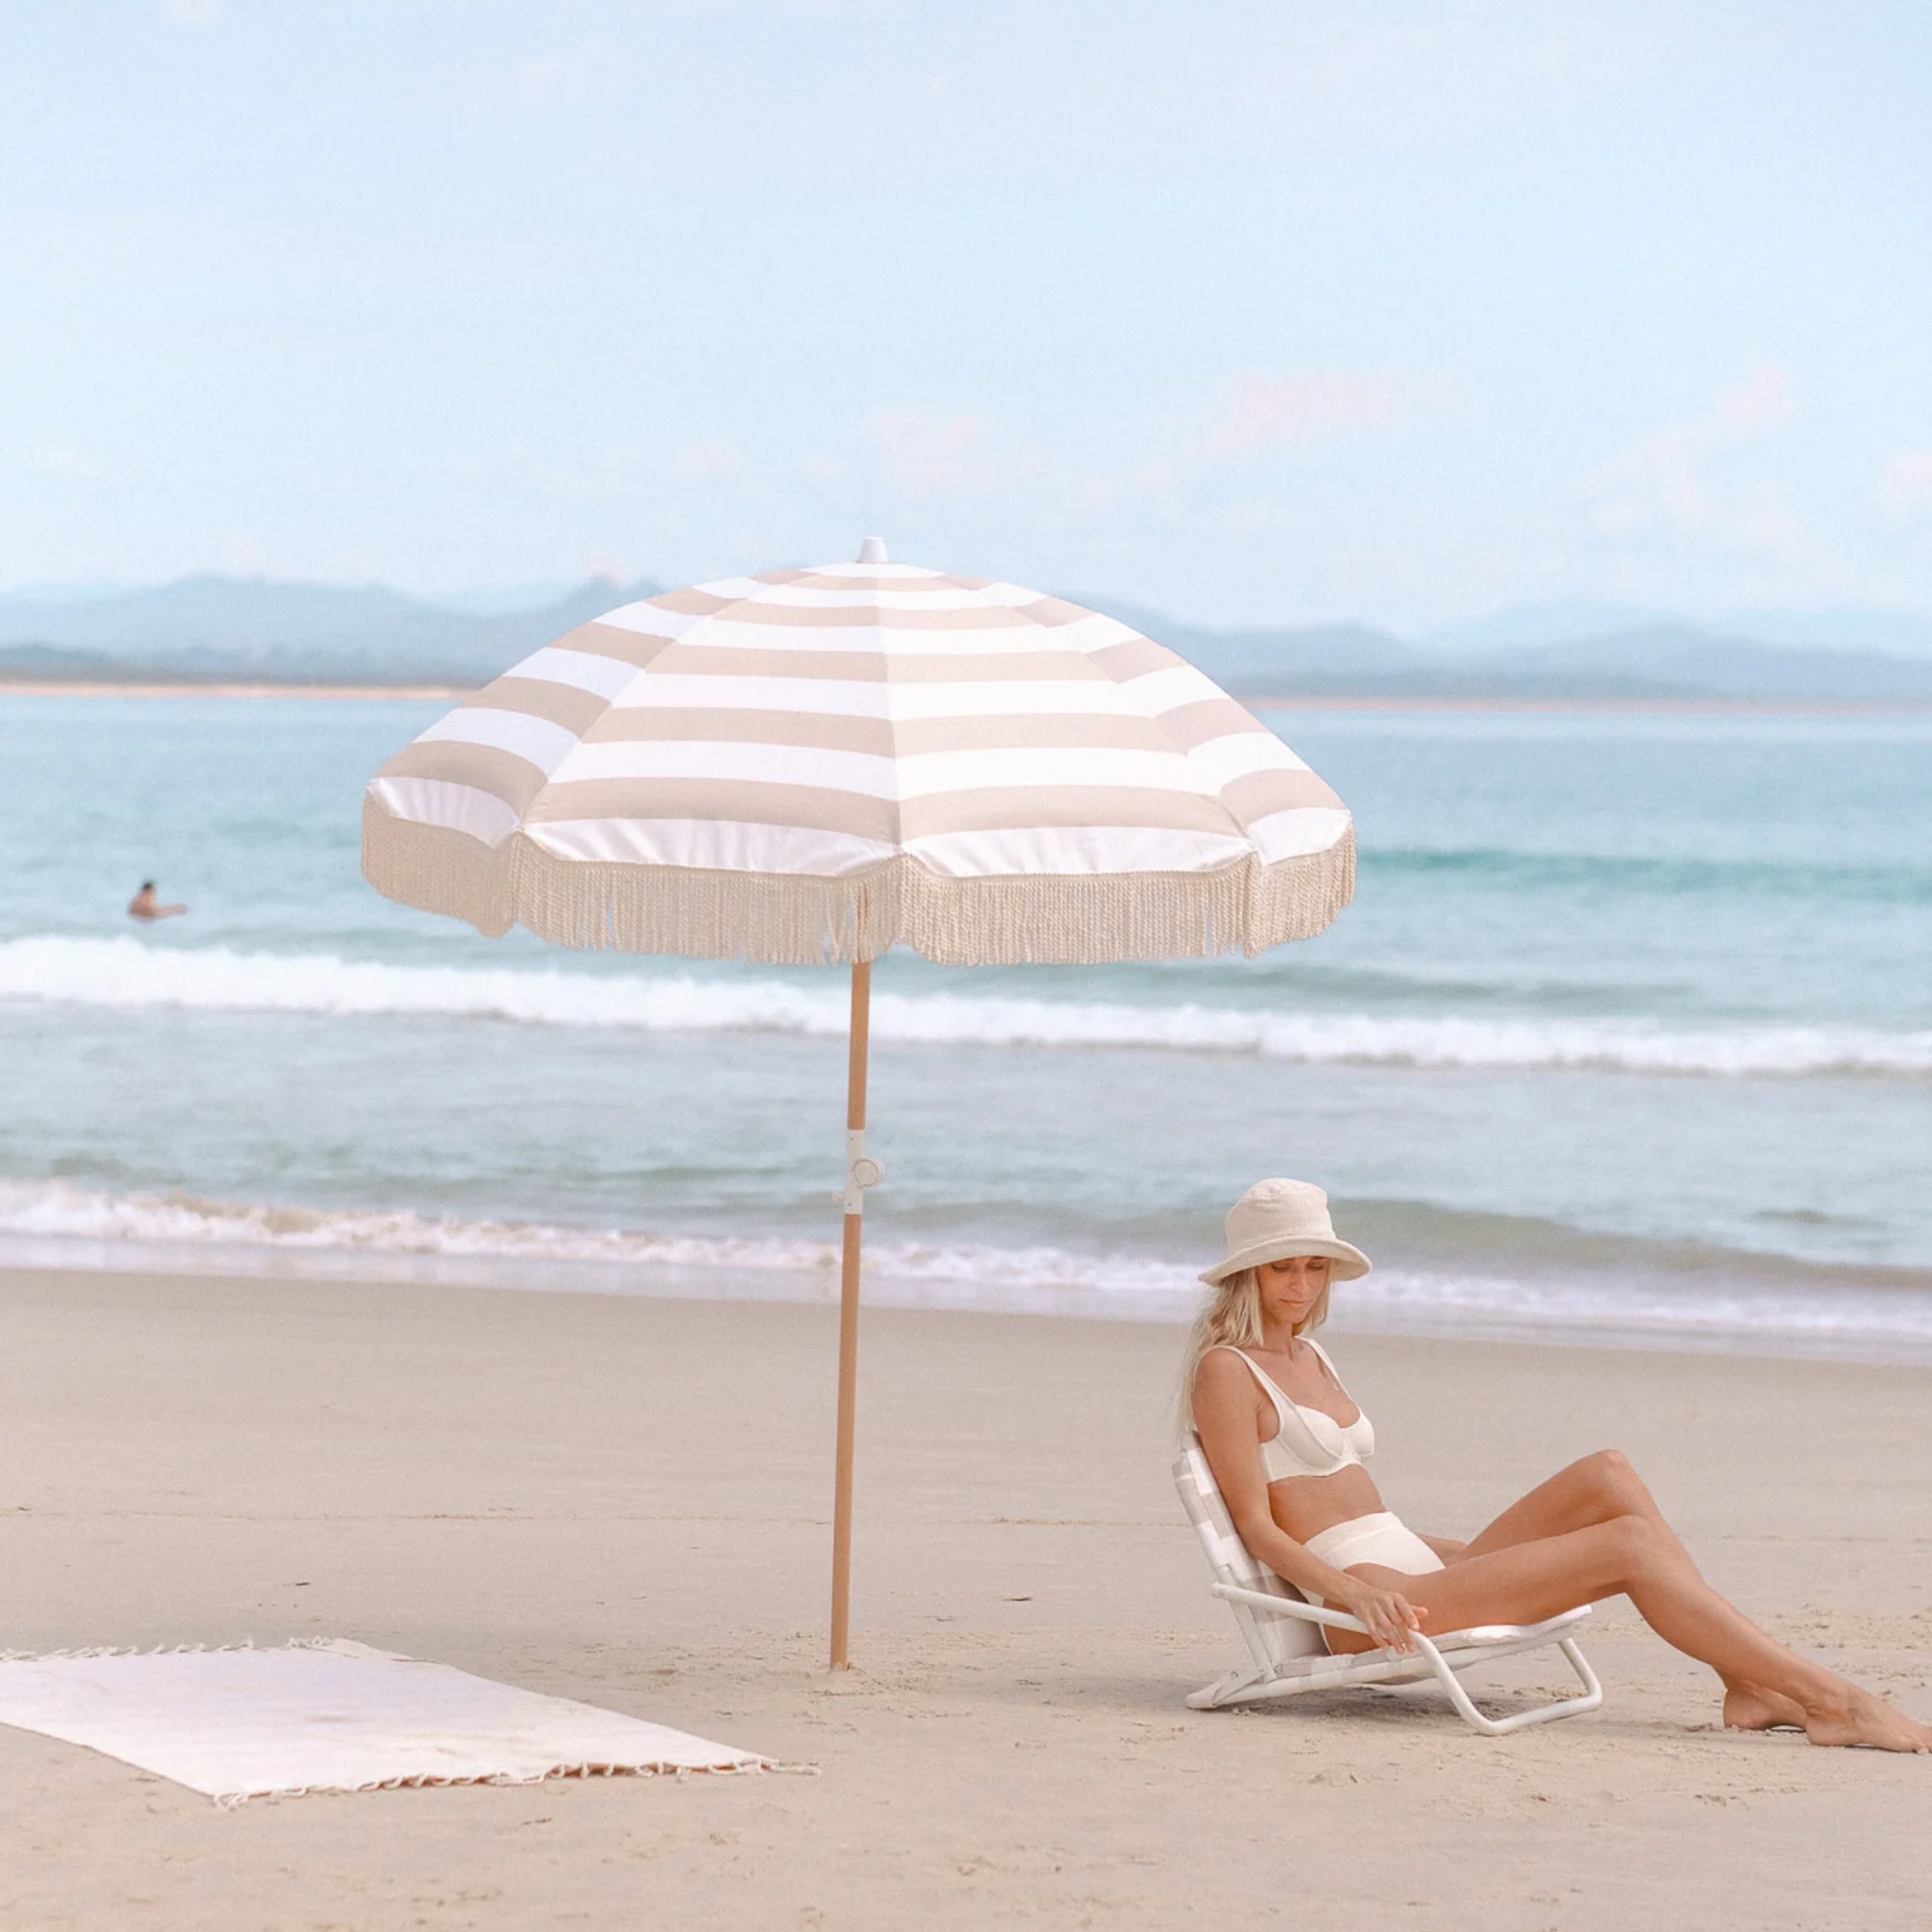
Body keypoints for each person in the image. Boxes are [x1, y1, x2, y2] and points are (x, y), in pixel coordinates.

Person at [1185, 1178, 1931, 1752]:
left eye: (1315, 1268)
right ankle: (1836, 1703)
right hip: (1370, 1609)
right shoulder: (1227, 1370)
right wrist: (1352, 1596)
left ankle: (1746, 1682)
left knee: (1607, 1472)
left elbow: (1358, 1506)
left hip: (1416, 1567)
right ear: (1246, 1274)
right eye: (1282, 1268)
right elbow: (1256, 1525)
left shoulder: (1310, 1353)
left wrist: (1446, 1553)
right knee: (1629, 1547)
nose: (1302, 1286)